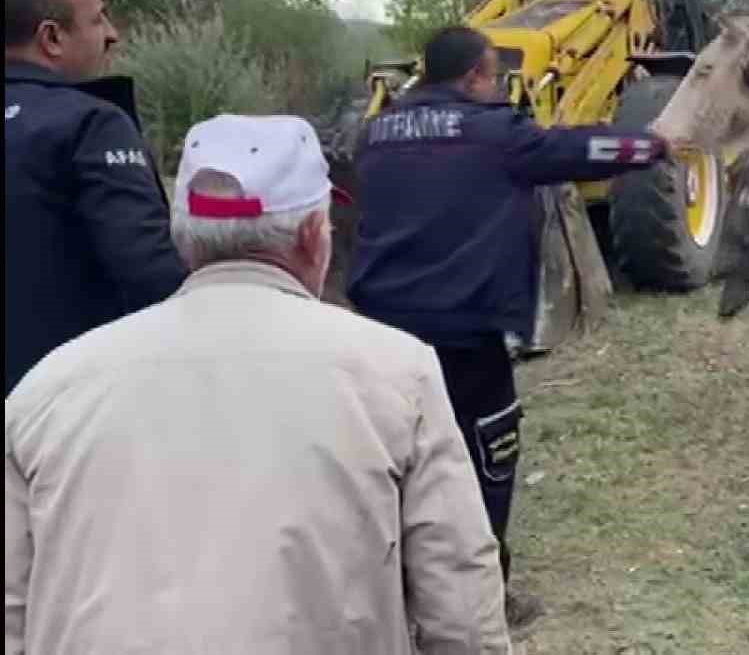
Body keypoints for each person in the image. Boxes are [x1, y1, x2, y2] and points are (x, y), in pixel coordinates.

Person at [4, 114, 511, 654]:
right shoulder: (398, 374)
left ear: (182, 241)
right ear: (316, 237)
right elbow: (461, 614)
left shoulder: (46, 390)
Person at [346, 25, 671, 624]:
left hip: (380, 335)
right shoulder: (496, 134)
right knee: (482, 465)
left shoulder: (376, 132)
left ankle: (391, 593)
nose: (495, 86)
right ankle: (482, 597)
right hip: (464, 333)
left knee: (392, 462)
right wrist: (657, 145)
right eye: (492, 74)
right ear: (473, 76)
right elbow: (583, 149)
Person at [4, 0, 187, 393]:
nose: (112, 33)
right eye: (98, 17)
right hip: (54, 402)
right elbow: (149, 272)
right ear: (51, 38)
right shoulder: (88, 124)